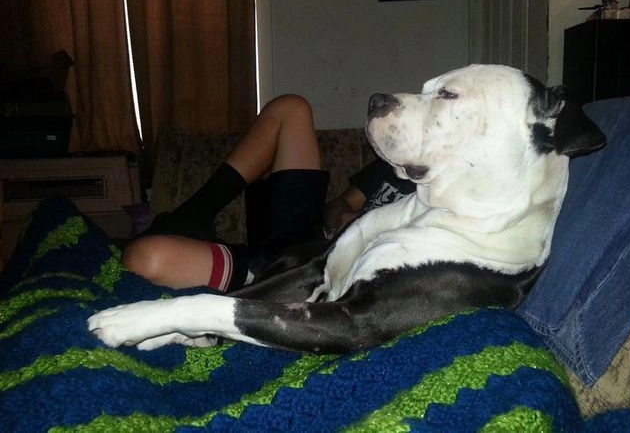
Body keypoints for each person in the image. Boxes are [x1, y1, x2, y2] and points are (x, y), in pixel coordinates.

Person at [123, 94, 414, 293]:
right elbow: (341, 203)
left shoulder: (442, 204)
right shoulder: (407, 159)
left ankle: (254, 281)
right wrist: (343, 216)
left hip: (310, 270)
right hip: (306, 231)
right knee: (291, 108)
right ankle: (197, 212)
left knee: (144, 258)